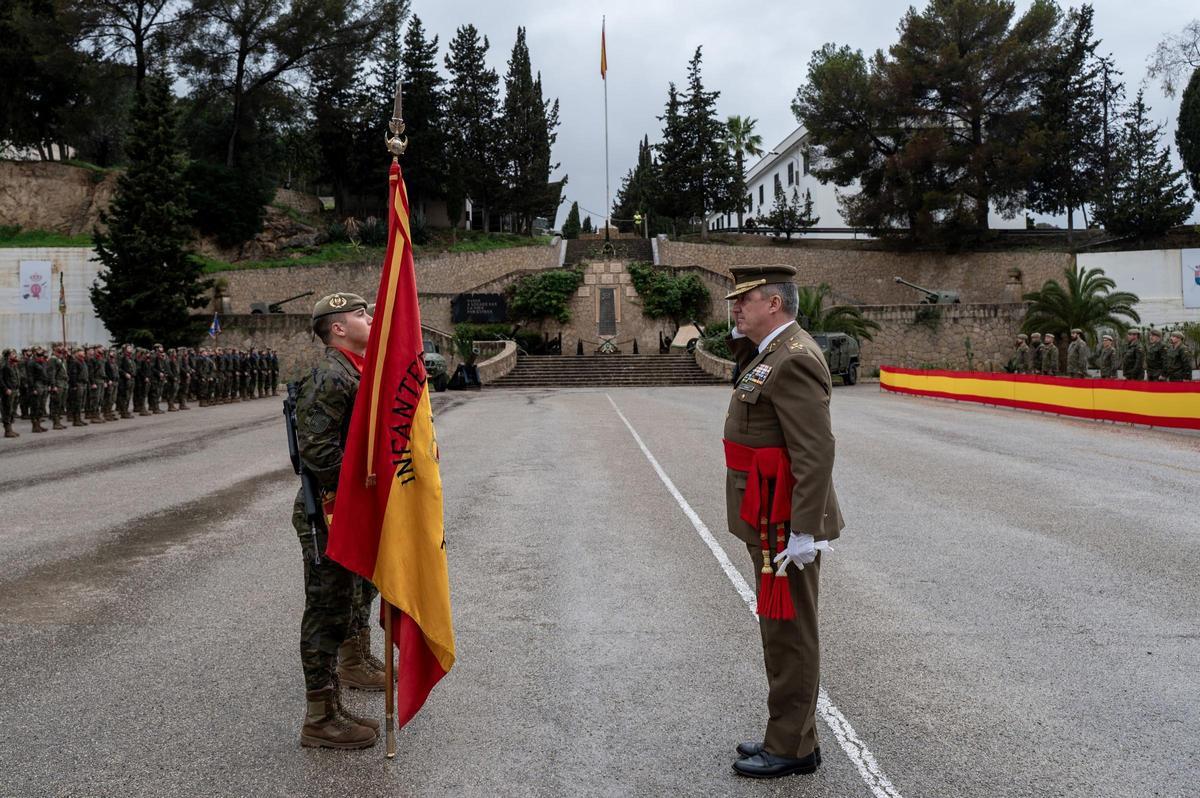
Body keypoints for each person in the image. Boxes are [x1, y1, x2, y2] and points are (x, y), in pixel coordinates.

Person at [721, 265, 843, 779]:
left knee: (790, 633)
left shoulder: (793, 358)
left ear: (773, 303)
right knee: (779, 630)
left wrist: (803, 531)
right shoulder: (770, 352)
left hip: (783, 521)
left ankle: (791, 748)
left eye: (743, 301)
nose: (735, 309)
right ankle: (791, 736)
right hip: (766, 512)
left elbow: (814, 452)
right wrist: (741, 340)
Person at [291, 292, 385, 750]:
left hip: (351, 505)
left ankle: (351, 666)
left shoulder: (355, 370)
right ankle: (320, 718)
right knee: (326, 610)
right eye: (359, 313)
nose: (369, 317)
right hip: (328, 511)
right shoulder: (330, 375)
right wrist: (370, 477)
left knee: (354, 595)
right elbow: (320, 453)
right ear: (338, 328)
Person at [1, 348, 20, 438]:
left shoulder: (13, 364)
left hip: (14, 390)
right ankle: (7, 430)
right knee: (7, 410)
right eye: (13, 353)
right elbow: (0, 379)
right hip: (8, 391)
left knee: (12, 410)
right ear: (8, 355)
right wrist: (5, 389)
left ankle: (11, 429)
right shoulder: (4, 365)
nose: (15, 355)